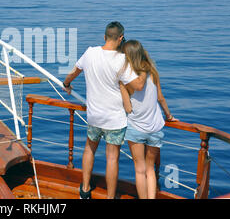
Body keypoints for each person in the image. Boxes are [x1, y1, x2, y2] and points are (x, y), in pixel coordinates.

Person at [62, 22, 147, 199]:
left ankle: (84, 189)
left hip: (94, 116)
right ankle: (110, 197)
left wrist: (66, 84)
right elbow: (138, 86)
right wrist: (145, 68)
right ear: (121, 38)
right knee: (112, 158)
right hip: (115, 120)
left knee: (89, 149)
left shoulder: (90, 53)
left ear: (104, 37)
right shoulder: (122, 60)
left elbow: (73, 72)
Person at [119, 40, 178, 199]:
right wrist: (169, 116)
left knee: (140, 169)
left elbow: (125, 98)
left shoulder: (127, 78)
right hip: (155, 127)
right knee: (150, 169)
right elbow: (161, 98)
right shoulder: (153, 73)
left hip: (135, 127)